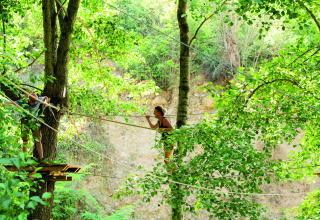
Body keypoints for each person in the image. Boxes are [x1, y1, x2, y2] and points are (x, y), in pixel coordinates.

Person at [0, 93, 49, 161]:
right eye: (35, 101)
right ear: (30, 101)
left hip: (35, 120)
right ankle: (25, 159)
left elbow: (45, 97)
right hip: (25, 120)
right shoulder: (24, 101)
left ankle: (42, 158)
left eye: (37, 101)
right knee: (25, 140)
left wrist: (45, 102)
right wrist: (3, 104)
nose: (36, 102)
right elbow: (14, 103)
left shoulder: (39, 99)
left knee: (38, 140)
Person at [146, 106, 175, 175]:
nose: (153, 113)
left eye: (155, 112)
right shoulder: (160, 121)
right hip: (166, 141)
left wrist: (163, 129)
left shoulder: (165, 119)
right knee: (168, 160)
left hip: (170, 141)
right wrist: (148, 119)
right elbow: (153, 127)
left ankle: (177, 172)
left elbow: (172, 129)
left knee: (167, 160)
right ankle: (170, 176)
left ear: (159, 112)